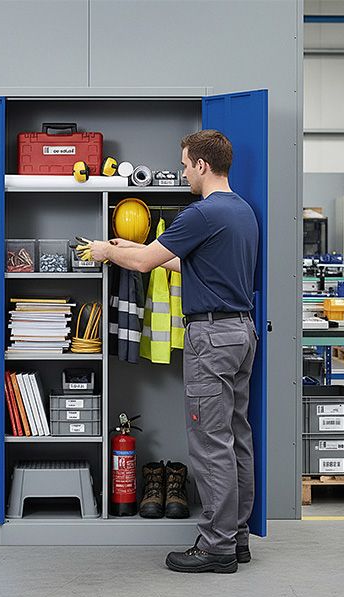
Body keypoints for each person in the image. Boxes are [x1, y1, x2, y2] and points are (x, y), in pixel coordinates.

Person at [88, 129, 259, 574]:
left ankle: (216, 546)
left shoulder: (201, 213)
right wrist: (132, 248)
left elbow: (146, 265)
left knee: (209, 444)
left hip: (211, 337)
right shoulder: (241, 211)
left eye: (185, 164)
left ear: (202, 164)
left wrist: (107, 250)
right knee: (235, 438)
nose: (183, 172)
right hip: (240, 333)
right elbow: (190, 263)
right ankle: (237, 538)